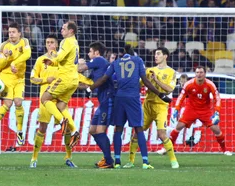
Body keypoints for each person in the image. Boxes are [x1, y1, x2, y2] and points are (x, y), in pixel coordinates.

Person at [91, 46, 170, 169]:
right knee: (138, 129)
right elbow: (145, 81)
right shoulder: (137, 60)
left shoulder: (116, 62)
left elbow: (104, 79)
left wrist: (90, 87)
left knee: (118, 129)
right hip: (133, 98)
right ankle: (145, 162)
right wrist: (160, 94)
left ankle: (117, 161)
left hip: (119, 98)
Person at [33, 21, 81, 168]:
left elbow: (59, 59)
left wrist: (53, 61)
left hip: (63, 81)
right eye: (47, 42)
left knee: (44, 98)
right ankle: (74, 129)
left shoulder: (66, 43)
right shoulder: (41, 59)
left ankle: (63, 123)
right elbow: (32, 78)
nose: (49, 45)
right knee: (60, 107)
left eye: (64, 28)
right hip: (72, 81)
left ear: (71, 31)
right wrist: (46, 78)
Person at [127, 48, 179, 169]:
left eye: (158, 54)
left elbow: (169, 89)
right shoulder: (149, 70)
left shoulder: (171, 72)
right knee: (137, 133)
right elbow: (139, 83)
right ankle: (131, 161)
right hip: (147, 105)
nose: (156, 56)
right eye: (155, 54)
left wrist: (157, 80)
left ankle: (173, 160)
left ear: (165, 56)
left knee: (162, 134)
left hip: (161, 106)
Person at [167, 66, 231, 156]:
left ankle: (225, 150)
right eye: (197, 72)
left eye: (201, 72)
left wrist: (217, 112)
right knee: (178, 127)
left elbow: (217, 98)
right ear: (195, 74)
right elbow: (181, 97)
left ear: (205, 74)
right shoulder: (189, 84)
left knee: (216, 130)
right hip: (191, 109)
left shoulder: (210, 84)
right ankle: (168, 148)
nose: (199, 74)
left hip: (205, 110)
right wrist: (177, 109)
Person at [0, 22, 31, 145]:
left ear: (19, 33)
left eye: (13, 32)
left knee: (18, 102)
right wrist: (6, 57)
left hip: (20, 78)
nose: (11, 34)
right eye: (9, 32)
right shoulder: (4, 46)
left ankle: (20, 132)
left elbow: (28, 54)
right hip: (7, 78)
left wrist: (14, 63)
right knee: (8, 103)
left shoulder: (24, 41)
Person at [78, 41, 113, 169]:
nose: (88, 54)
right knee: (93, 130)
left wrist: (71, 65)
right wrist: (72, 83)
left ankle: (109, 161)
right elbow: (86, 85)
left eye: (90, 51)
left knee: (100, 130)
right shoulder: (97, 69)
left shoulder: (100, 60)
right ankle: (107, 158)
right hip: (102, 102)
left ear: (96, 53)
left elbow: (80, 68)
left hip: (108, 100)